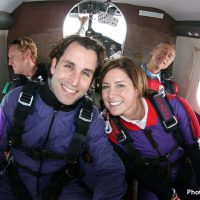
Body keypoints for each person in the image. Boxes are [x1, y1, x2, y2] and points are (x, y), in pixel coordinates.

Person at [0, 35, 126, 200]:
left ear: (91, 82)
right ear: (53, 66)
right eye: (68, 66)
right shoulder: (15, 100)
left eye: (86, 73)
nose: (74, 81)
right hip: (12, 182)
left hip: (64, 185)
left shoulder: (91, 118)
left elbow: (110, 169)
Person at [99, 56, 200, 200]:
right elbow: (135, 169)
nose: (110, 95)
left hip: (187, 171)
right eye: (105, 86)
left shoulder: (173, 107)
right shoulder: (112, 130)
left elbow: (193, 148)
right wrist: (169, 194)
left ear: (137, 88)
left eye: (120, 85)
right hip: (153, 181)